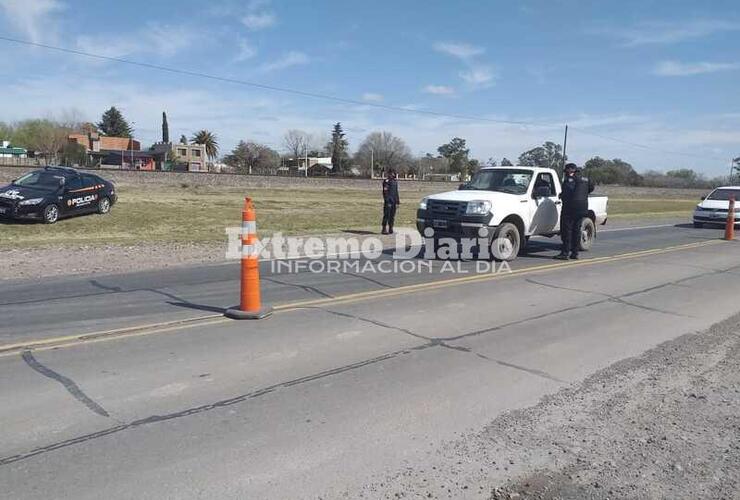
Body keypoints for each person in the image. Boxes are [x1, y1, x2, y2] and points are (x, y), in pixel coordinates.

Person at [554, 163, 594, 260]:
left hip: (570, 208)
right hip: (583, 208)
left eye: (566, 172)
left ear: (570, 171)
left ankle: (565, 253)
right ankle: (575, 253)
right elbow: (591, 188)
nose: (566, 174)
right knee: (577, 230)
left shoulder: (569, 180)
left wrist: (562, 195)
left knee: (567, 230)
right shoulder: (586, 179)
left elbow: (568, 192)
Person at [381, 168, 400, 234]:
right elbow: (385, 192)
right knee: (386, 215)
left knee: (392, 216)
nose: (392, 174)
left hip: (394, 201)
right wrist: (387, 201)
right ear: (389, 174)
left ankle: (390, 228)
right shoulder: (386, 181)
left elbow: (396, 192)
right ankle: (384, 228)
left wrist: (397, 202)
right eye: (391, 173)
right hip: (388, 202)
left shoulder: (395, 182)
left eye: (393, 173)